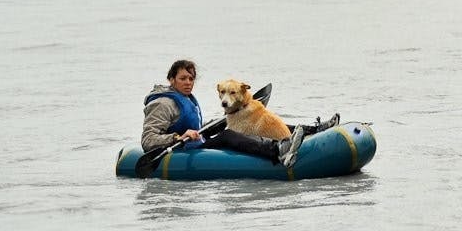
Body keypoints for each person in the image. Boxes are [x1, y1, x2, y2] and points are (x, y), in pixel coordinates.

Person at [142, 59, 337, 168]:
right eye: (183, 78)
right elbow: (148, 139)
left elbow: (191, 126)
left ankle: (315, 130)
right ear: (171, 79)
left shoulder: (186, 98)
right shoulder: (163, 103)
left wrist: (209, 125)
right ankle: (276, 150)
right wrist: (179, 136)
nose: (188, 82)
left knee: (259, 121)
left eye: (191, 78)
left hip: (195, 142)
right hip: (180, 150)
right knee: (228, 135)